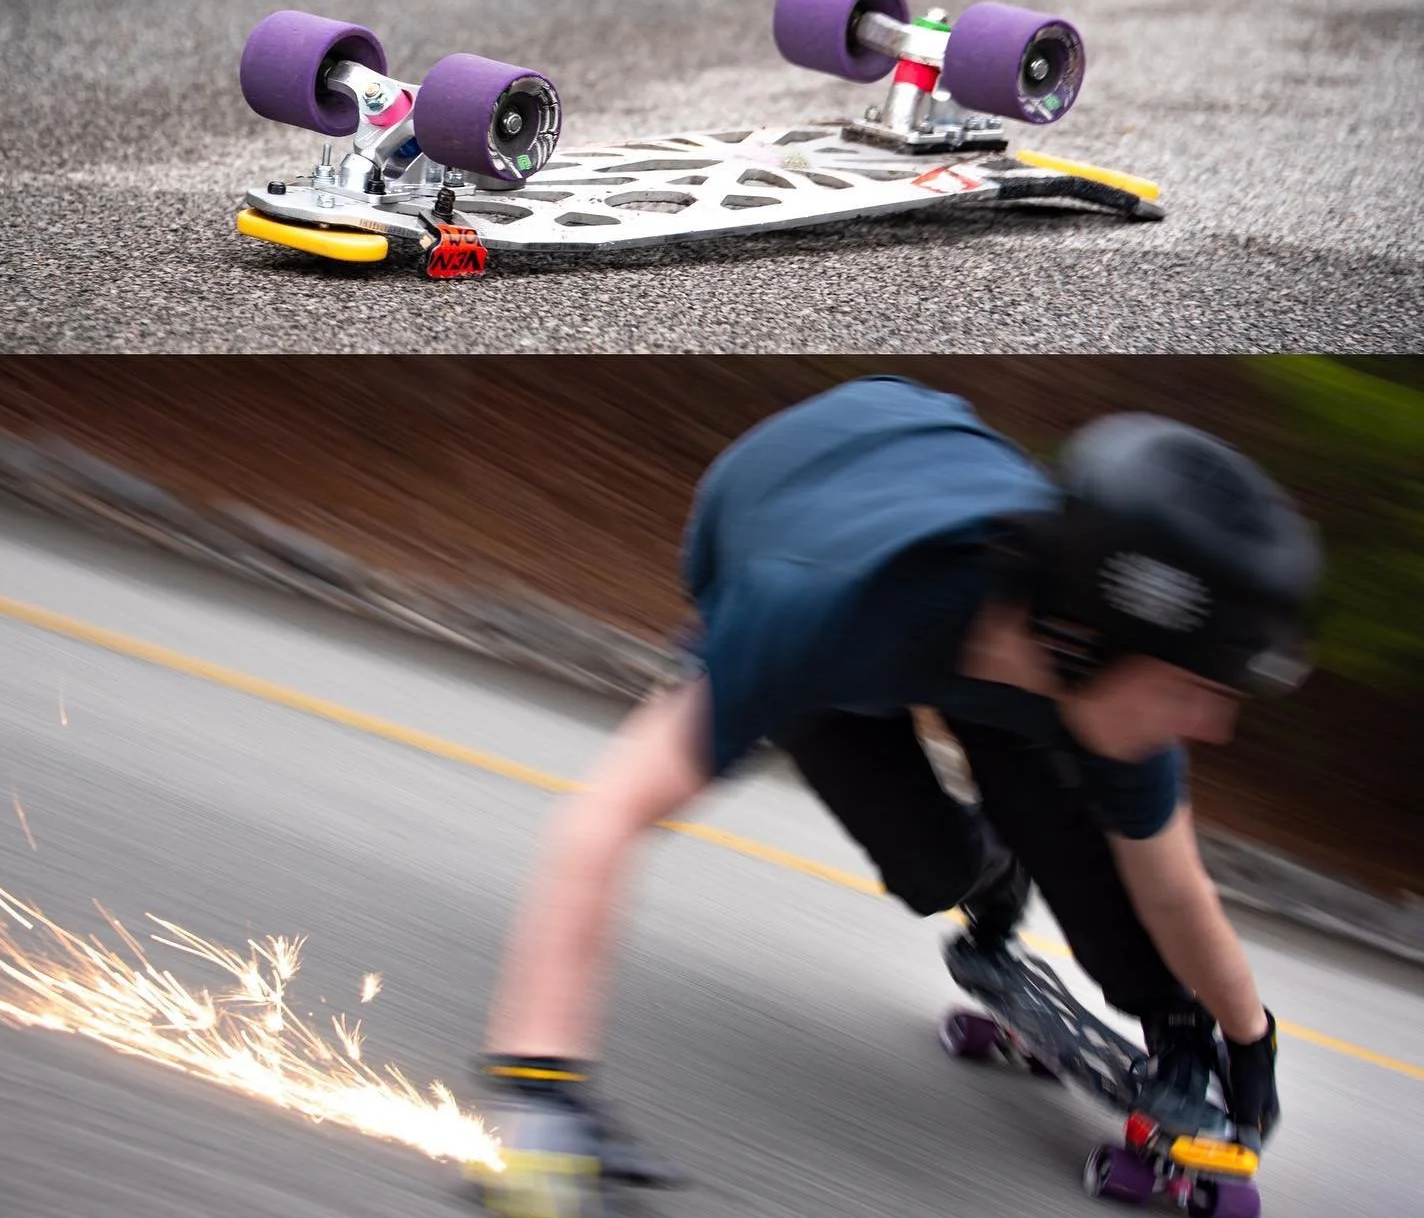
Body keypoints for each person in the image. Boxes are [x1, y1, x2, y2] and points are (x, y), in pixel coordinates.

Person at [468, 376, 1320, 1215]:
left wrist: (1247, 1035)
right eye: (1193, 690)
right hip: (798, 522)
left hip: (947, 493)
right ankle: (986, 869)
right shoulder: (815, 609)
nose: (1215, 729)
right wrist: (539, 1093)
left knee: (1077, 827)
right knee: (931, 871)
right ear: (1092, 637)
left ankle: (1168, 1021)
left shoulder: (1108, 676)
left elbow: (1173, 888)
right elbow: (602, 820)